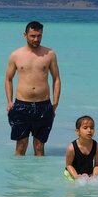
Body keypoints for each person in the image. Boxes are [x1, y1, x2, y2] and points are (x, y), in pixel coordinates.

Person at [4, 21, 61, 156]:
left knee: (39, 147)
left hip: (44, 105)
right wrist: (9, 101)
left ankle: (39, 176)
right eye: (32, 36)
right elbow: (8, 79)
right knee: (21, 146)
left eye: (39, 36)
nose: (36, 39)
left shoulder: (50, 54)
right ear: (25, 35)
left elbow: (56, 79)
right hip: (22, 105)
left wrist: (55, 102)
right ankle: (18, 176)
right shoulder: (16, 55)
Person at [64, 115, 98, 184]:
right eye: (85, 128)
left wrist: (94, 176)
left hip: (88, 175)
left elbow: (97, 165)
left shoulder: (97, 147)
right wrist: (76, 177)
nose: (89, 130)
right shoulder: (71, 148)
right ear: (77, 131)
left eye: (92, 128)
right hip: (71, 174)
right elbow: (68, 165)